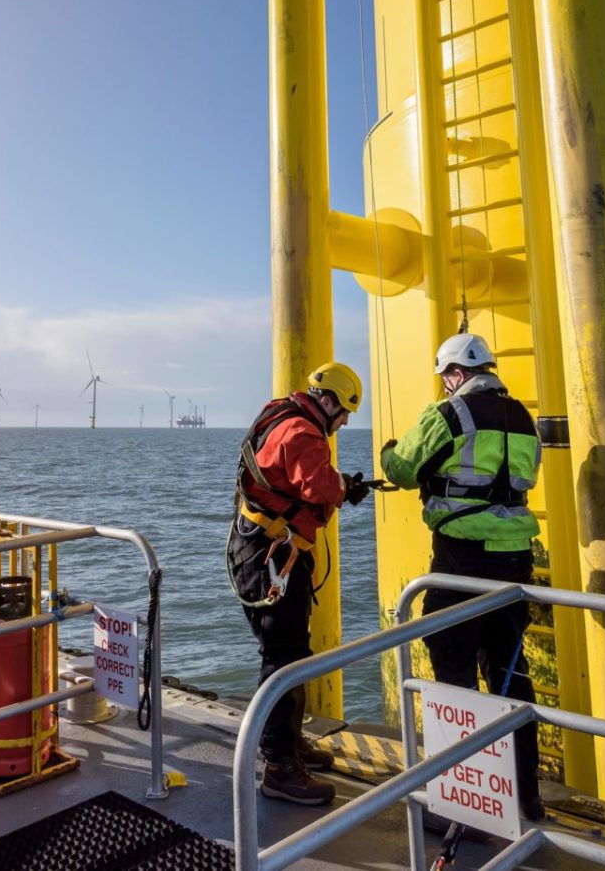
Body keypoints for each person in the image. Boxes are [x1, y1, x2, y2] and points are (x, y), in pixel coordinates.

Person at [379, 332, 547, 822]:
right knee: (510, 672)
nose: (445, 386)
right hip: (515, 559)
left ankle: (462, 802)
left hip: (462, 560)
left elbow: (404, 468)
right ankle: (525, 796)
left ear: (455, 373)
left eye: (445, 378)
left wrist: (389, 450)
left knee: (453, 671)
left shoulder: (448, 413)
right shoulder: (522, 417)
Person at [226, 361, 372, 807]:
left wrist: (341, 486)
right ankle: (279, 765)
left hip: (260, 550)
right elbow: (321, 487)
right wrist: (345, 488)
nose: (345, 422)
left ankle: (288, 743)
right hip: (270, 557)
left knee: (289, 651)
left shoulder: (281, 412)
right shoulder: (303, 434)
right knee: (285, 657)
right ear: (327, 402)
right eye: (344, 412)